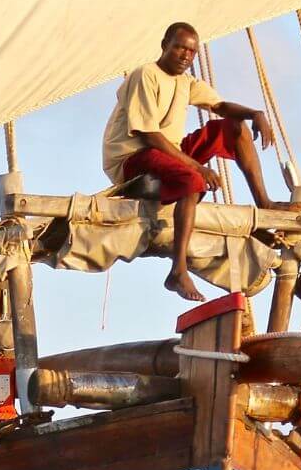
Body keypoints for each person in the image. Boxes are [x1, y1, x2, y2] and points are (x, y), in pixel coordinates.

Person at [101, 21, 290, 303]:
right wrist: (197, 167)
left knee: (234, 127)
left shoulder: (185, 82)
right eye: (179, 47)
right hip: (133, 158)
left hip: (167, 152)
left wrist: (255, 113)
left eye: (191, 52)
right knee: (193, 180)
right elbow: (149, 135)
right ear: (165, 45)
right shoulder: (146, 75)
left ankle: (263, 200)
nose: (185, 56)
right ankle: (177, 270)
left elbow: (219, 106)